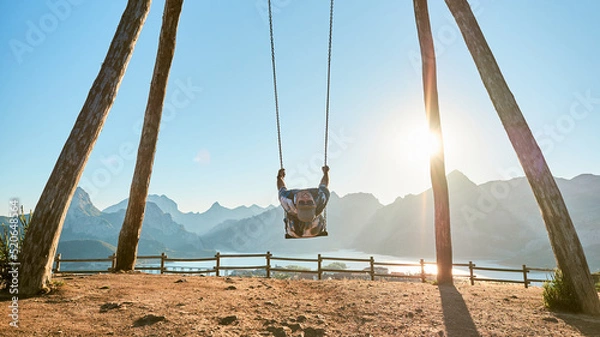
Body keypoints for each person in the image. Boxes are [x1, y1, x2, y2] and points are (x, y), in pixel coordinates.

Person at [277, 166, 330, 238]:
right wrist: (326, 173)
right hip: (315, 228)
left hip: (294, 230)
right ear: (315, 203)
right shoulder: (321, 198)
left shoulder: (287, 200)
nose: (305, 198)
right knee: (314, 227)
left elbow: (281, 187)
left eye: (301, 202)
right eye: (309, 202)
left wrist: (280, 177)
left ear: (296, 205)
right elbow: (324, 184)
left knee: (294, 227)